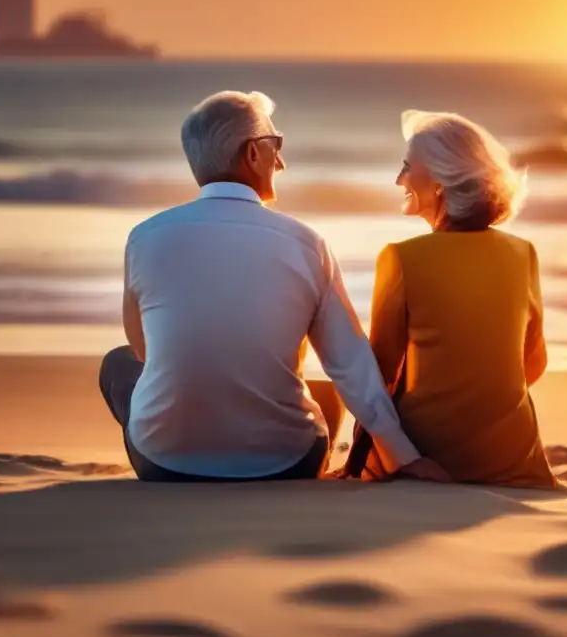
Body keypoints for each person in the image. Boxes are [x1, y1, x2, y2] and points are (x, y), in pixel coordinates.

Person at [99, 91, 449, 483]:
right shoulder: (306, 243)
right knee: (328, 391)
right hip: (284, 465)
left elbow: (145, 351)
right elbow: (350, 364)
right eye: (275, 145)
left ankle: (181, 437)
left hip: (164, 465)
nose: (280, 161)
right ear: (252, 154)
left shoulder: (145, 237)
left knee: (119, 363)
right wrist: (405, 457)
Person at [341, 110, 558, 488]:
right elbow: (533, 364)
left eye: (408, 168)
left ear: (441, 181)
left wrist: (358, 460)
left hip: (430, 455)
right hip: (512, 458)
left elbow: (378, 378)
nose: (399, 179)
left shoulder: (401, 258)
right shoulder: (524, 253)